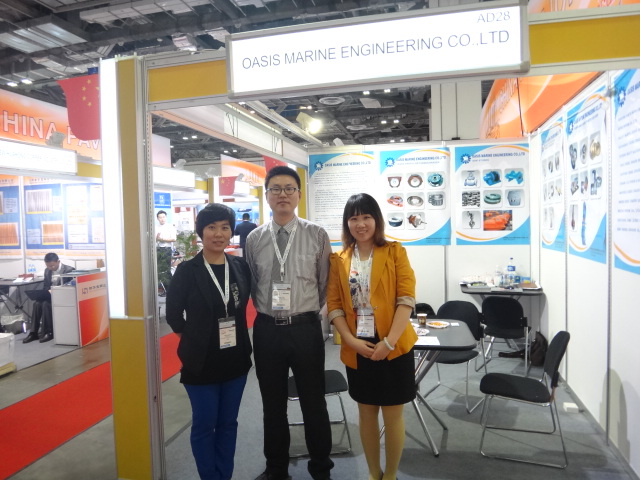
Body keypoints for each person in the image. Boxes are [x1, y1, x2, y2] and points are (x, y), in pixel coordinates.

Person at [245, 166, 334, 480]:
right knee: (272, 405)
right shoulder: (254, 238)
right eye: (276, 189)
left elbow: (325, 283)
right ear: (267, 195)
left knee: (313, 402)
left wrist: (304, 311)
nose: (282, 194)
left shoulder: (317, 234)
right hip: (267, 330)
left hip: (305, 328)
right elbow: (253, 283)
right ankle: (276, 469)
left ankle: (321, 469)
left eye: (289, 188)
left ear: (298, 194)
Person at [327, 193, 418, 480]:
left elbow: (406, 299)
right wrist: (349, 340)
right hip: (359, 345)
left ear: (376, 220)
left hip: (394, 344)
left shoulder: (395, 252)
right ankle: (372, 472)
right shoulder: (339, 259)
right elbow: (334, 305)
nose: (360, 224)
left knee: (392, 414)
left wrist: (389, 342)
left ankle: (389, 475)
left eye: (366, 217)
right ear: (347, 223)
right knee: (366, 412)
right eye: (354, 218)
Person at [166, 203, 253, 480]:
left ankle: (224, 475)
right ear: (201, 232)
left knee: (228, 423)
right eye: (211, 227)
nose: (219, 234)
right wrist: (195, 340)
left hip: (236, 360)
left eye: (225, 227)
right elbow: (173, 315)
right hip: (201, 363)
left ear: (231, 232)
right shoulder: (188, 270)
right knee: (204, 425)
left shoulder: (239, 266)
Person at [23, 252, 75, 344]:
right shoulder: (47, 271)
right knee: (37, 304)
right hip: (50, 295)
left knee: (45, 304)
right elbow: (46, 286)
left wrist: (55, 291)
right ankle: (33, 332)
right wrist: (44, 293)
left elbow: (70, 287)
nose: (50, 268)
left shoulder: (69, 270)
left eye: (52, 266)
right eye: (48, 266)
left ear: (58, 261)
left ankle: (49, 332)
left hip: (62, 296)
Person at [156, 209, 177, 294]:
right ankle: (164, 289)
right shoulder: (156, 227)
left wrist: (162, 239)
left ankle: (171, 290)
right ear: (157, 218)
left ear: (166, 217)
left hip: (166, 249)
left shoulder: (170, 227)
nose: (162, 219)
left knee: (166, 270)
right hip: (158, 249)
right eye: (160, 217)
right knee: (160, 269)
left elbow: (174, 239)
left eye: (164, 217)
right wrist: (157, 239)